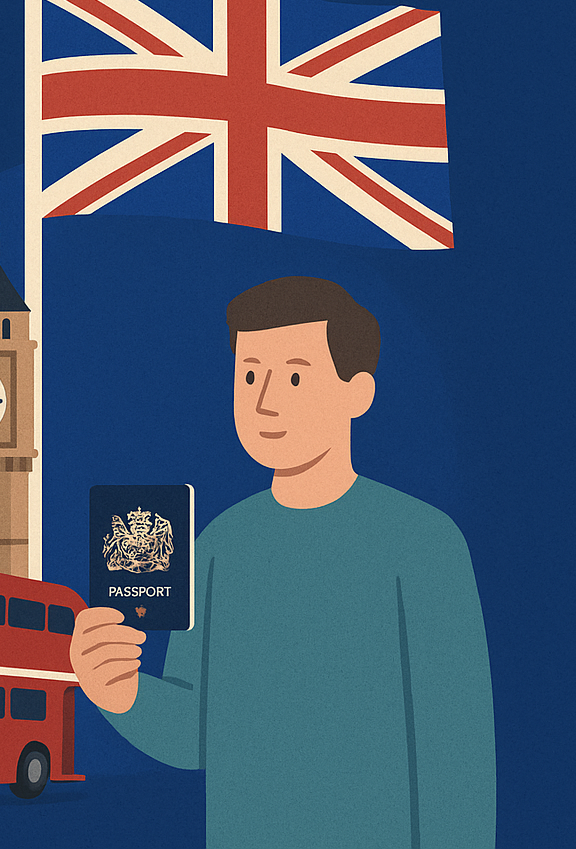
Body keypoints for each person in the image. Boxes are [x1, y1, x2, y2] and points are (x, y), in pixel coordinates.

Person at [70, 276, 494, 848]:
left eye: (295, 376)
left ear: (357, 393)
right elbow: (197, 735)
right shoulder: (217, 545)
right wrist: (120, 692)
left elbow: (454, 756)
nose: (265, 401)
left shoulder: (423, 544)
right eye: (249, 376)